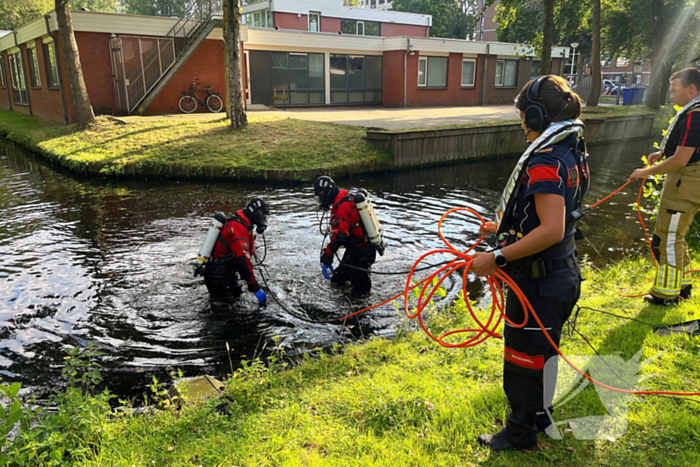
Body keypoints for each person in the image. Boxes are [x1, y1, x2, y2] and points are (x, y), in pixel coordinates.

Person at [471, 76, 588, 451]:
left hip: (539, 282)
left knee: (523, 359)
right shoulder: (570, 147)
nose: (522, 125)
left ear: (536, 115)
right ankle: (541, 416)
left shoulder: (545, 159)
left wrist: (497, 256)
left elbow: (551, 228)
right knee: (545, 352)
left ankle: (520, 434)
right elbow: (551, 217)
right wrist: (505, 225)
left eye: (523, 117)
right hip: (561, 273)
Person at [630, 68, 700, 305]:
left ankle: (666, 295)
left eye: (674, 90)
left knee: (668, 238)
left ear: (691, 89)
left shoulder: (695, 115)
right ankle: (683, 285)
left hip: (685, 183)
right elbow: (688, 149)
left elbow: (682, 160)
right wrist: (663, 153)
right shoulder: (694, 112)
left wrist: (644, 172)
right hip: (688, 181)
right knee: (675, 236)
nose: (671, 95)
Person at [313, 176, 376, 296]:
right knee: (337, 281)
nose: (320, 202)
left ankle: (361, 313)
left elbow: (341, 236)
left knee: (361, 294)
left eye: (320, 198)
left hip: (362, 253)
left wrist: (328, 254)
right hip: (355, 250)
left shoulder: (342, 206)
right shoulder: (341, 200)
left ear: (326, 194)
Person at [203, 198, 269, 305]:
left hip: (225, 274)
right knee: (225, 314)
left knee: (234, 304)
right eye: (262, 217)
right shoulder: (239, 227)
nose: (263, 220)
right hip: (219, 277)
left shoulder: (244, 225)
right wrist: (254, 286)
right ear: (255, 214)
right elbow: (242, 259)